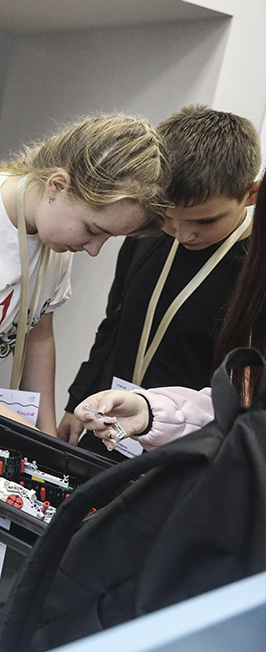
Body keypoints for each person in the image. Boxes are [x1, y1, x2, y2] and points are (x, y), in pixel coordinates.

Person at [0, 115, 171, 436]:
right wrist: (23, 432)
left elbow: (38, 336)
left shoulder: (55, 235)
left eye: (108, 237)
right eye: (92, 230)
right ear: (57, 186)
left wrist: (46, 437)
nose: (93, 250)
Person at [58, 106, 261, 458]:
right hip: (110, 424)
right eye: (167, 217)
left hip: (188, 447)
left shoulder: (254, 272)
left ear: (251, 194)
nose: (183, 234)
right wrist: (78, 398)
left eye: (205, 221)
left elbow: (242, 386)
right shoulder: (148, 236)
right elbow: (114, 324)